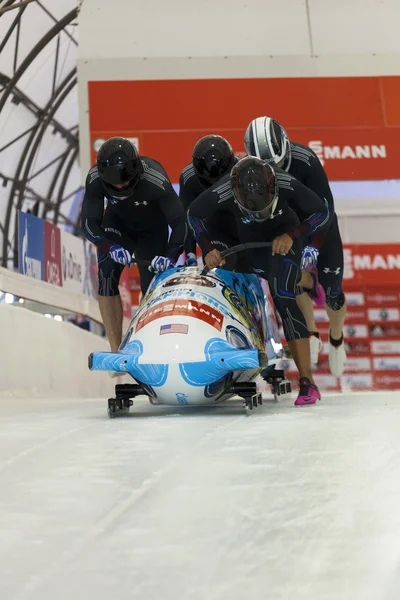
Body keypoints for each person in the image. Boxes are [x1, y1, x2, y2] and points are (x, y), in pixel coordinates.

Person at [187, 156, 332, 406]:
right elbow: (194, 215)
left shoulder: (286, 182)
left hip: (284, 234)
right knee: (243, 276)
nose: (259, 212)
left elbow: (323, 212)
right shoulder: (223, 189)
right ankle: (306, 279)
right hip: (249, 240)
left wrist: (292, 234)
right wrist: (207, 247)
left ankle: (308, 383)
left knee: (283, 293)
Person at [244, 116, 346, 377]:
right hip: (289, 224)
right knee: (291, 274)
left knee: (332, 291)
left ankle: (336, 337)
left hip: (318, 222)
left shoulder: (306, 161)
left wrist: (316, 243)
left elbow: (325, 209)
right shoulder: (248, 168)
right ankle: (311, 331)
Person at [81, 137, 186, 353]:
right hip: (118, 226)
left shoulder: (155, 180)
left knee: (153, 286)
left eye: (125, 182)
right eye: (114, 184)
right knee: (107, 275)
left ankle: (154, 345)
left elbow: (179, 224)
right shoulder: (94, 179)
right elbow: (89, 223)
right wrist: (110, 247)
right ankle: (115, 349)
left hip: (152, 230)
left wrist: (170, 256)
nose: (120, 186)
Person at [179, 135, 240, 270]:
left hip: (241, 226)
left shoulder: (241, 171)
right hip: (215, 231)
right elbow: (188, 216)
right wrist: (191, 255)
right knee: (220, 265)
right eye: (211, 181)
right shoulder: (189, 179)